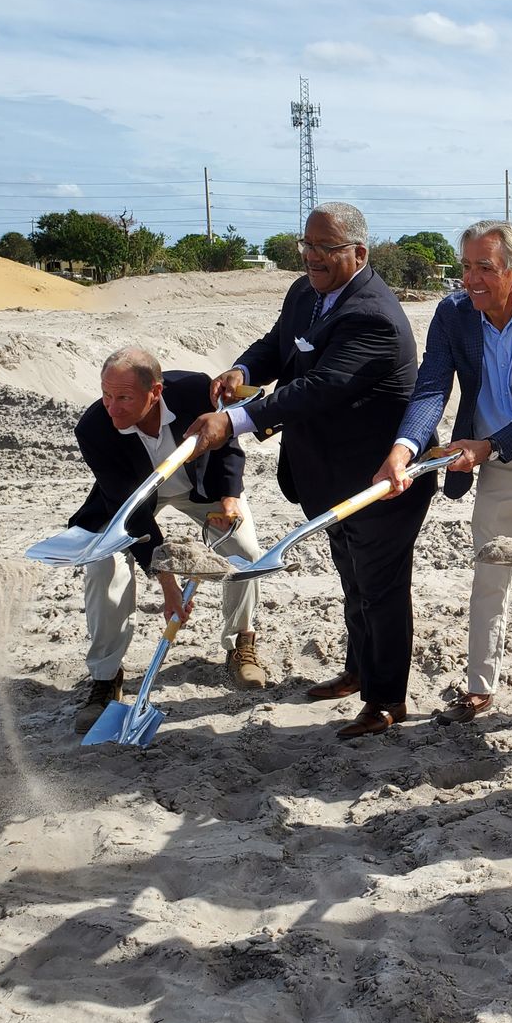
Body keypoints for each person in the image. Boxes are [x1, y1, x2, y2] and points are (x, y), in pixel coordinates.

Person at [186, 202, 436, 740]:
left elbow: (319, 387)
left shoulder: (373, 315)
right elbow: (279, 346)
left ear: (359, 253)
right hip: (325, 475)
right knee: (352, 577)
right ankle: (357, 669)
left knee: (382, 588)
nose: (312, 256)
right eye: (307, 245)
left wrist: (234, 421)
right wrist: (244, 370)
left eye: (326, 248)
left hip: (381, 480)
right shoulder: (306, 292)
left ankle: (387, 700)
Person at [372, 220, 512, 729]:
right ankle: (480, 690)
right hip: (496, 466)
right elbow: (431, 385)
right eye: (466, 267)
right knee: (488, 578)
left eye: (485, 268)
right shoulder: (453, 314)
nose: (470, 279)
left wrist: (487, 446)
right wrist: (404, 446)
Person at [70, 347, 266, 734]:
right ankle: (106, 678)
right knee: (102, 565)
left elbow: (227, 445)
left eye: (124, 397)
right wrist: (168, 584)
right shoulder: (94, 428)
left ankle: (240, 642)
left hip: (201, 487)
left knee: (246, 553)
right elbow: (132, 513)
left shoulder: (195, 391)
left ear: (155, 391)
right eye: (106, 395)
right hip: (137, 496)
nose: (112, 408)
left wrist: (229, 497)